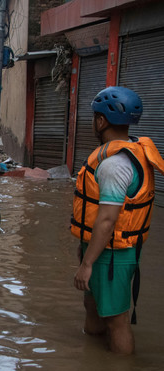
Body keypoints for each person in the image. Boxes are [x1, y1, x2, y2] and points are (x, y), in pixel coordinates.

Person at [71, 86, 164, 355]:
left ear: (101, 121)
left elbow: (107, 220)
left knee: (117, 320)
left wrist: (87, 264)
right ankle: (93, 363)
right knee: (93, 305)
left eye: (93, 117)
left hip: (115, 254)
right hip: (101, 248)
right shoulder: (127, 152)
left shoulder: (114, 165)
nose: (92, 122)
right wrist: (85, 247)